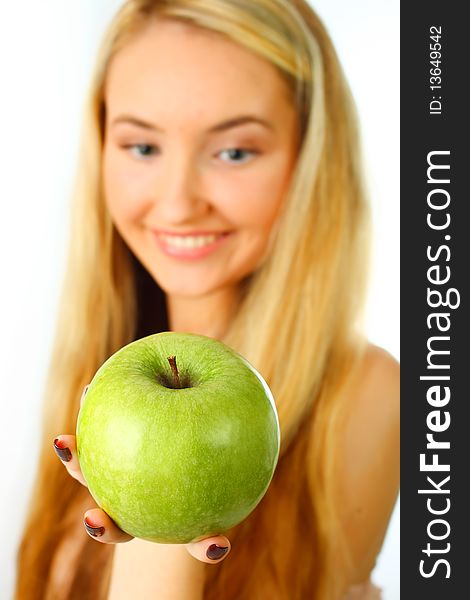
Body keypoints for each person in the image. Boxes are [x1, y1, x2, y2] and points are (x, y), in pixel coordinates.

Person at [15, 0, 399, 598]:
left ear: (311, 161)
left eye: (234, 151)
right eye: (143, 147)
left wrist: (160, 535)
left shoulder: (369, 397)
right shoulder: (95, 363)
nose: (178, 203)